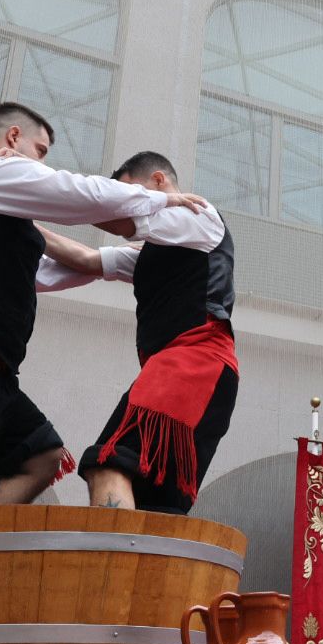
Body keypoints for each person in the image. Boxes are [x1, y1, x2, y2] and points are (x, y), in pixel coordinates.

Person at [0, 103, 205, 511]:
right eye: (41, 150)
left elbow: (48, 272)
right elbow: (73, 192)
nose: (42, 163)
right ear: (13, 138)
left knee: (41, 457)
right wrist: (160, 202)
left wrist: (104, 260)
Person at [38, 151, 236, 514]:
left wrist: (24, 189)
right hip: (197, 373)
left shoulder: (197, 215)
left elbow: (118, 216)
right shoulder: (160, 249)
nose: (123, 201)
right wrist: (24, 223)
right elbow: (85, 259)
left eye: (129, 192)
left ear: (159, 182)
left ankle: (108, 570)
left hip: (193, 362)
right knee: (154, 504)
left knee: (107, 464)